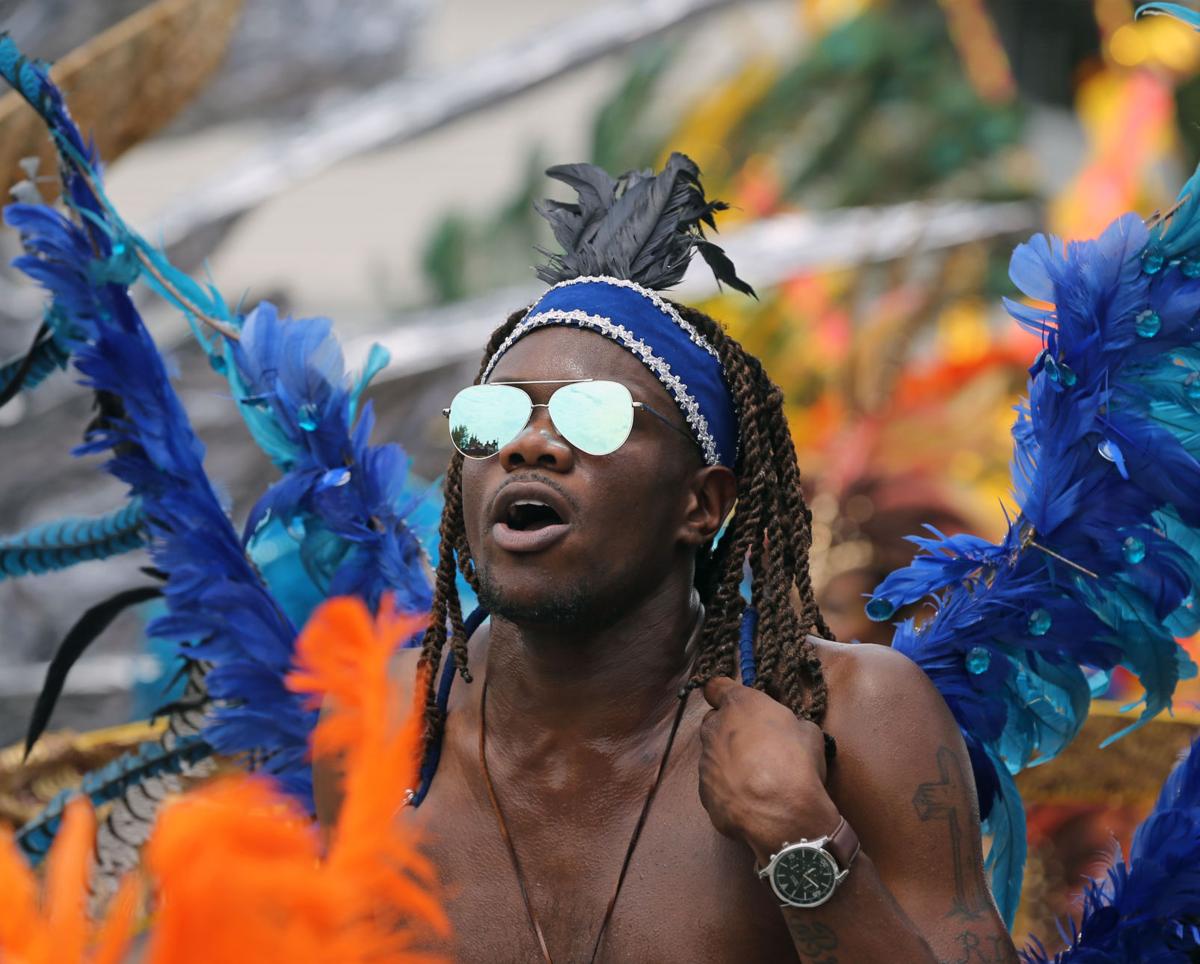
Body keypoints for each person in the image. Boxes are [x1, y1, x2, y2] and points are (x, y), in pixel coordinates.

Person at [315, 155, 1017, 963]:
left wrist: (803, 844)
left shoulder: (855, 718)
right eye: (492, 415)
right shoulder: (379, 730)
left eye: (594, 416)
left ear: (702, 504)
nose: (530, 445)